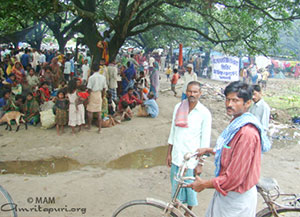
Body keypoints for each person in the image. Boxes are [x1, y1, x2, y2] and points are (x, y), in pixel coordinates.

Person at [187, 81, 271, 217]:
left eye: (235, 100)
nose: (229, 104)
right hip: (227, 195)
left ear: (247, 103)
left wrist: (204, 184)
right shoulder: (237, 123)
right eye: (227, 99)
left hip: (236, 199)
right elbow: (232, 152)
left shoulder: (247, 134)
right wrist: (210, 150)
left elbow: (234, 177)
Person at [166, 81, 212, 215]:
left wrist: (201, 163)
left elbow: (205, 141)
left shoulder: (204, 113)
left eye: (195, 92)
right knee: (176, 188)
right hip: (177, 156)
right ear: (186, 92)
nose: (192, 94)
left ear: (200, 94)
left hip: (191, 160)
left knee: (191, 190)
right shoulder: (178, 107)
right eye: (190, 91)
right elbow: (173, 132)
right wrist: (169, 153)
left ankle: (188, 213)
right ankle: (176, 211)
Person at [86, 63, 107, 133]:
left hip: (92, 94)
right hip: (99, 94)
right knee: (99, 112)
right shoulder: (103, 77)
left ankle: (89, 126)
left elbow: (89, 88)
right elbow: (104, 88)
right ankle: (100, 129)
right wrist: (103, 96)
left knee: (90, 111)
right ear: (99, 69)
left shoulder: (91, 78)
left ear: (92, 69)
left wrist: (87, 97)